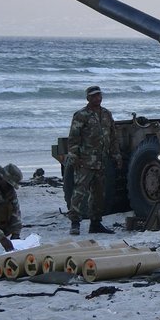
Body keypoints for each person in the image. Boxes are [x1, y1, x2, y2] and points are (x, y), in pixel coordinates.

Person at [65, 85, 117, 236]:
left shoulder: (107, 114)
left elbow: (112, 137)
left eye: (99, 95)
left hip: (101, 161)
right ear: (88, 98)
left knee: (99, 194)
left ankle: (95, 223)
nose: (97, 98)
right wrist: (74, 157)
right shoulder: (81, 115)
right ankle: (75, 223)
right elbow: (73, 138)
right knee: (79, 192)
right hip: (85, 162)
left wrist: (116, 155)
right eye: (94, 96)